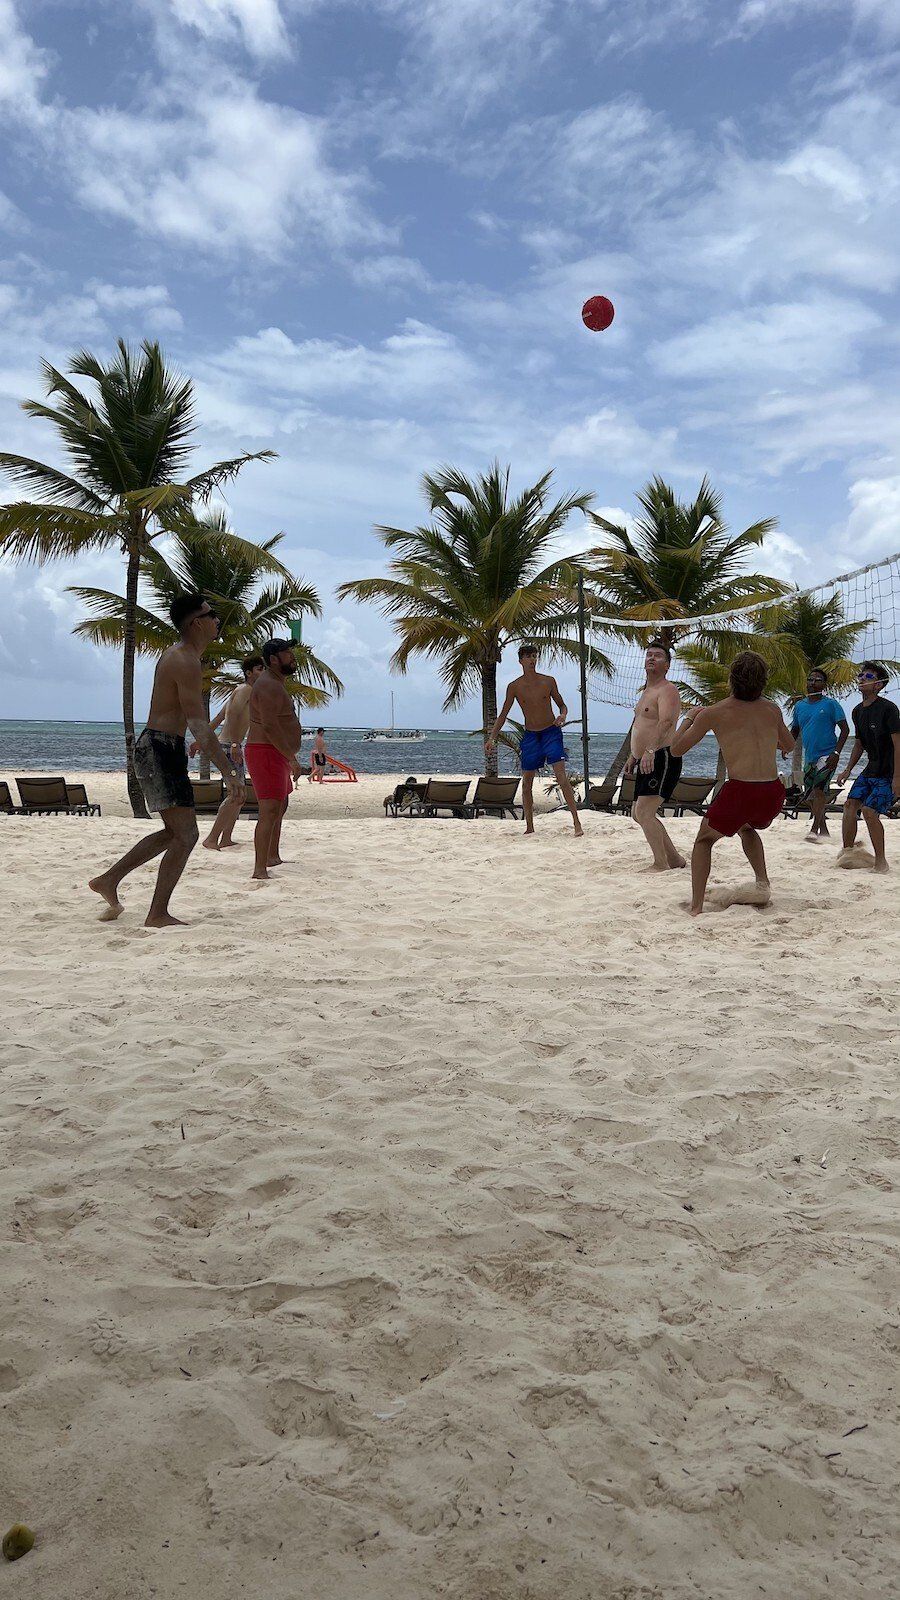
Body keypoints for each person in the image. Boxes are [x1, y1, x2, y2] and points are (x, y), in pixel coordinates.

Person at [88, 594, 244, 927]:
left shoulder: (185, 656)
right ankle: (156, 913)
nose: (217, 620)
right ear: (197, 623)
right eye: (211, 615)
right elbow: (198, 723)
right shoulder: (183, 659)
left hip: (164, 748)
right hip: (158, 749)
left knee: (177, 832)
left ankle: (109, 880)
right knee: (185, 835)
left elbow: (193, 723)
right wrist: (229, 772)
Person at [671, 650, 794, 916]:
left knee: (704, 841)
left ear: (732, 679)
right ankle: (762, 883)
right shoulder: (772, 709)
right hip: (773, 792)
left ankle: (696, 907)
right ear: (763, 681)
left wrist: (689, 718)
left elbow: (676, 749)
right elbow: (789, 745)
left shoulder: (714, 712)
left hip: (742, 791)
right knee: (746, 828)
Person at [486, 643, 583, 837]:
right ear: (520, 661)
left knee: (562, 778)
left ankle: (576, 822)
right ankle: (529, 826)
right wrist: (492, 738)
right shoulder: (514, 686)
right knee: (526, 784)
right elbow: (503, 714)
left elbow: (562, 705)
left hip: (551, 733)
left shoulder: (548, 681)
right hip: (531, 736)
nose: (532, 660)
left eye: (534, 656)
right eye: (528, 657)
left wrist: (563, 715)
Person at [245, 638, 303, 881]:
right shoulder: (269, 685)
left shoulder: (276, 683)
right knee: (269, 810)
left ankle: (272, 856)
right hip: (265, 751)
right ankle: (259, 869)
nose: (292, 657)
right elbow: (269, 725)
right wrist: (292, 758)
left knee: (280, 805)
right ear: (273, 659)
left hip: (274, 752)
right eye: (287, 653)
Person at [624, 640, 685, 870]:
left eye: (658, 655)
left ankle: (661, 863)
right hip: (646, 758)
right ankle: (674, 859)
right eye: (649, 654)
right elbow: (641, 724)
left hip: (662, 756)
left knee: (644, 812)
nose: (651, 658)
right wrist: (634, 755)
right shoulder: (647, 692)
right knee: (638, 813)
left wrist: (650, 750)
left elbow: (666, 722)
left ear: (667, 665)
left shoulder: (668, 690)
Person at [193, 655, 265, 849]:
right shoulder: (245, 689)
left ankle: (226, 838)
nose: (263, 672)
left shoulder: (244, 691)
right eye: (259, 669)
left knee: (240, 796)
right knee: (236, 794)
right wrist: (234, 744)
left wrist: (200, 741)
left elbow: (219, 717)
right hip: (228, 747)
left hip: (228, 746)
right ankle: (211, 839)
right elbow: (231, 715)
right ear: (249, 673)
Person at [835, 662, 900, 873]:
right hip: (871, 769)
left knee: (869, 811)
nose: (862, 678)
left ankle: (881, 861)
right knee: (849, 805)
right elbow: (859, 744)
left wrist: (897, 778)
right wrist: (847, 769)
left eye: (868, 676)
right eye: (861, 675)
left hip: (889, 771)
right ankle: (848, 852)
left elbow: (898, 745)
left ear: (878, 685)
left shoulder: (888, 709)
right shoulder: (857, 711)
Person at [790, 669, 849, 842]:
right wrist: (787, 747)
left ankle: (814, 829)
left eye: (818, 680)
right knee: (809, 796)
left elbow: (845, 730)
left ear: (824, 685)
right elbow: (795, 730)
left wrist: (836, 753)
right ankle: (823, 830)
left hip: (828, 755)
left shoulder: (831, 704)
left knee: (818, 790)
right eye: (810, 679)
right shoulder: (799, 706)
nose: (813, 682)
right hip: (810, 757)